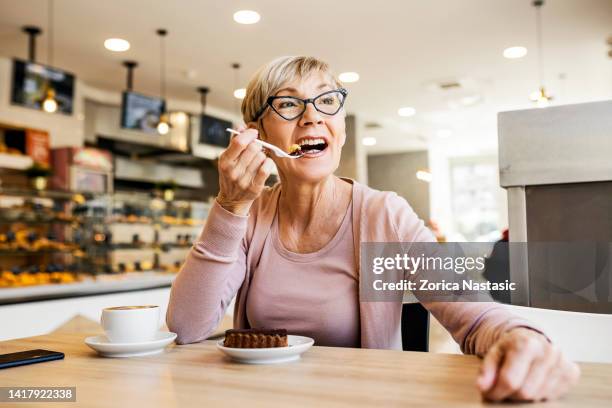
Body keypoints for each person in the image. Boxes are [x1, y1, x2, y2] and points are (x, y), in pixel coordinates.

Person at [166, 56, 579, 402]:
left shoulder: (384, 215)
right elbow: (186, 328)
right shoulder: (248, 215)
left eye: (327, 101)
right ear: (255, 132)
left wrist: (519, 337)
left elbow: (470, 311)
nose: (313, 117)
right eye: (289, 105)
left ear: (341, 127)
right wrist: (230, 207)